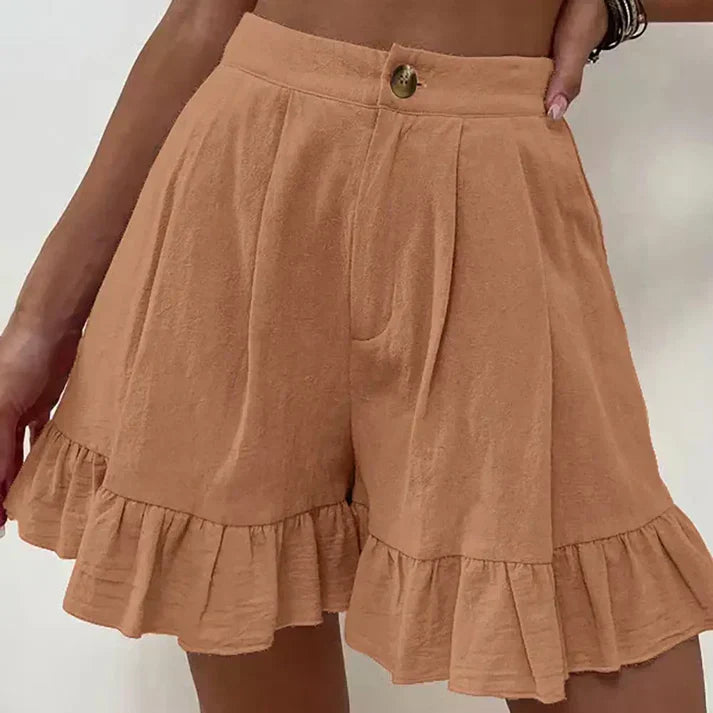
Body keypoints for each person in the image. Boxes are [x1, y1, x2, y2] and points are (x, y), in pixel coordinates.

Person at [2, 1, 713, 711]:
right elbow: (203, 16)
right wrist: (36, 333)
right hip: (249, 185)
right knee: (243, 600)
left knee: (606, 622)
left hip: (497, 196)